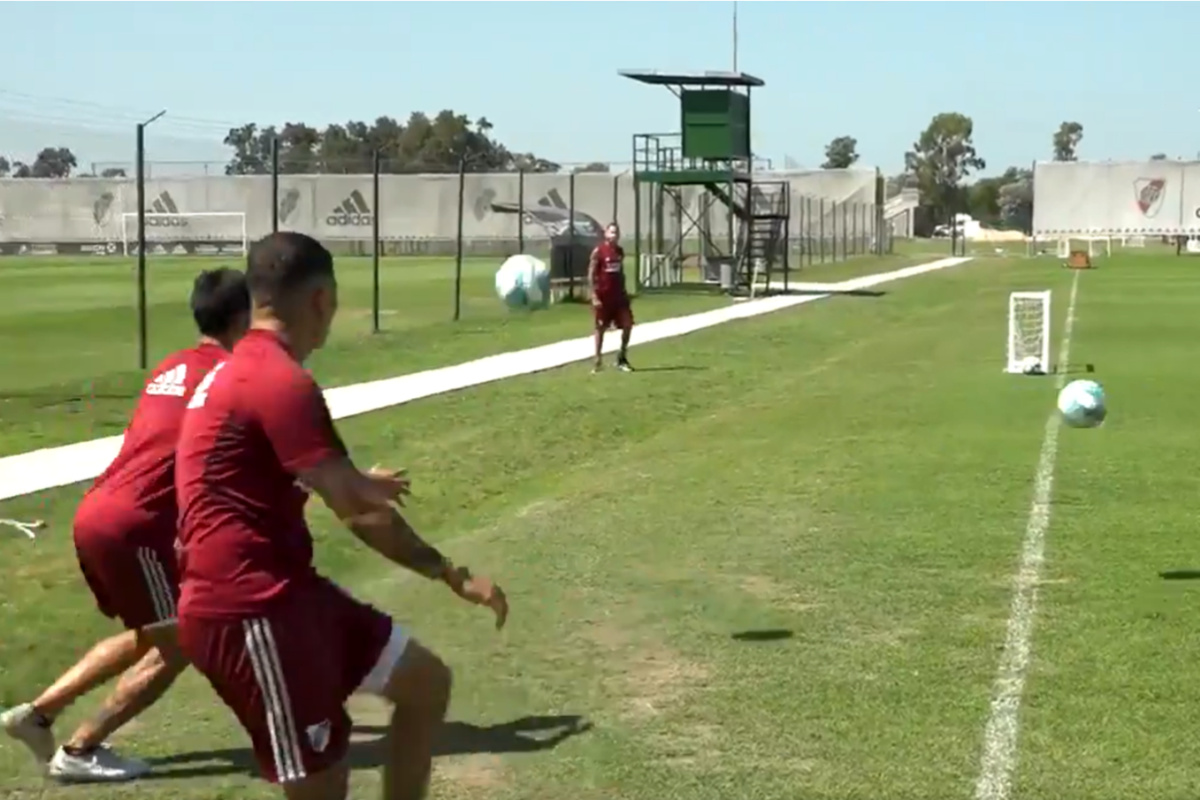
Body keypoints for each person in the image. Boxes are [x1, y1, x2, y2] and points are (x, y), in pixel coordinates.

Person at [173, 231, 508, 800]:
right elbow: (358, 514)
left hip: (288, 590)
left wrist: (353, 482)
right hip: (250, 607)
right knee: (324, 783)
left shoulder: (246, 368)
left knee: (425, 684)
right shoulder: (280, 380)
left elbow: (289, 474)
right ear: (322, 299)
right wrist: (452, 574)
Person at [2, 268, 251, 782]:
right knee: (182, 642)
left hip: (99, 511)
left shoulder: (172, 366)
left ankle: (37, 714)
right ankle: (80, 749)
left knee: (153, 633)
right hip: (136, 527)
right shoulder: (232, 376)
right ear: (244, 317)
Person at [589, 222, 635, 373]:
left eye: (617, 232)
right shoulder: (599, 251)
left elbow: (620, 272)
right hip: (604, 297)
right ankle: (597, 360)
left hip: (619, 296)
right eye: (612, 232)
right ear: (606, 234)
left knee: (628, 324)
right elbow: (591, 274)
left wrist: (625, 291)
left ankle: (622, 357)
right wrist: (594, 295)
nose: (615, 235)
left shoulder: (619, 252)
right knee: (600, 328)